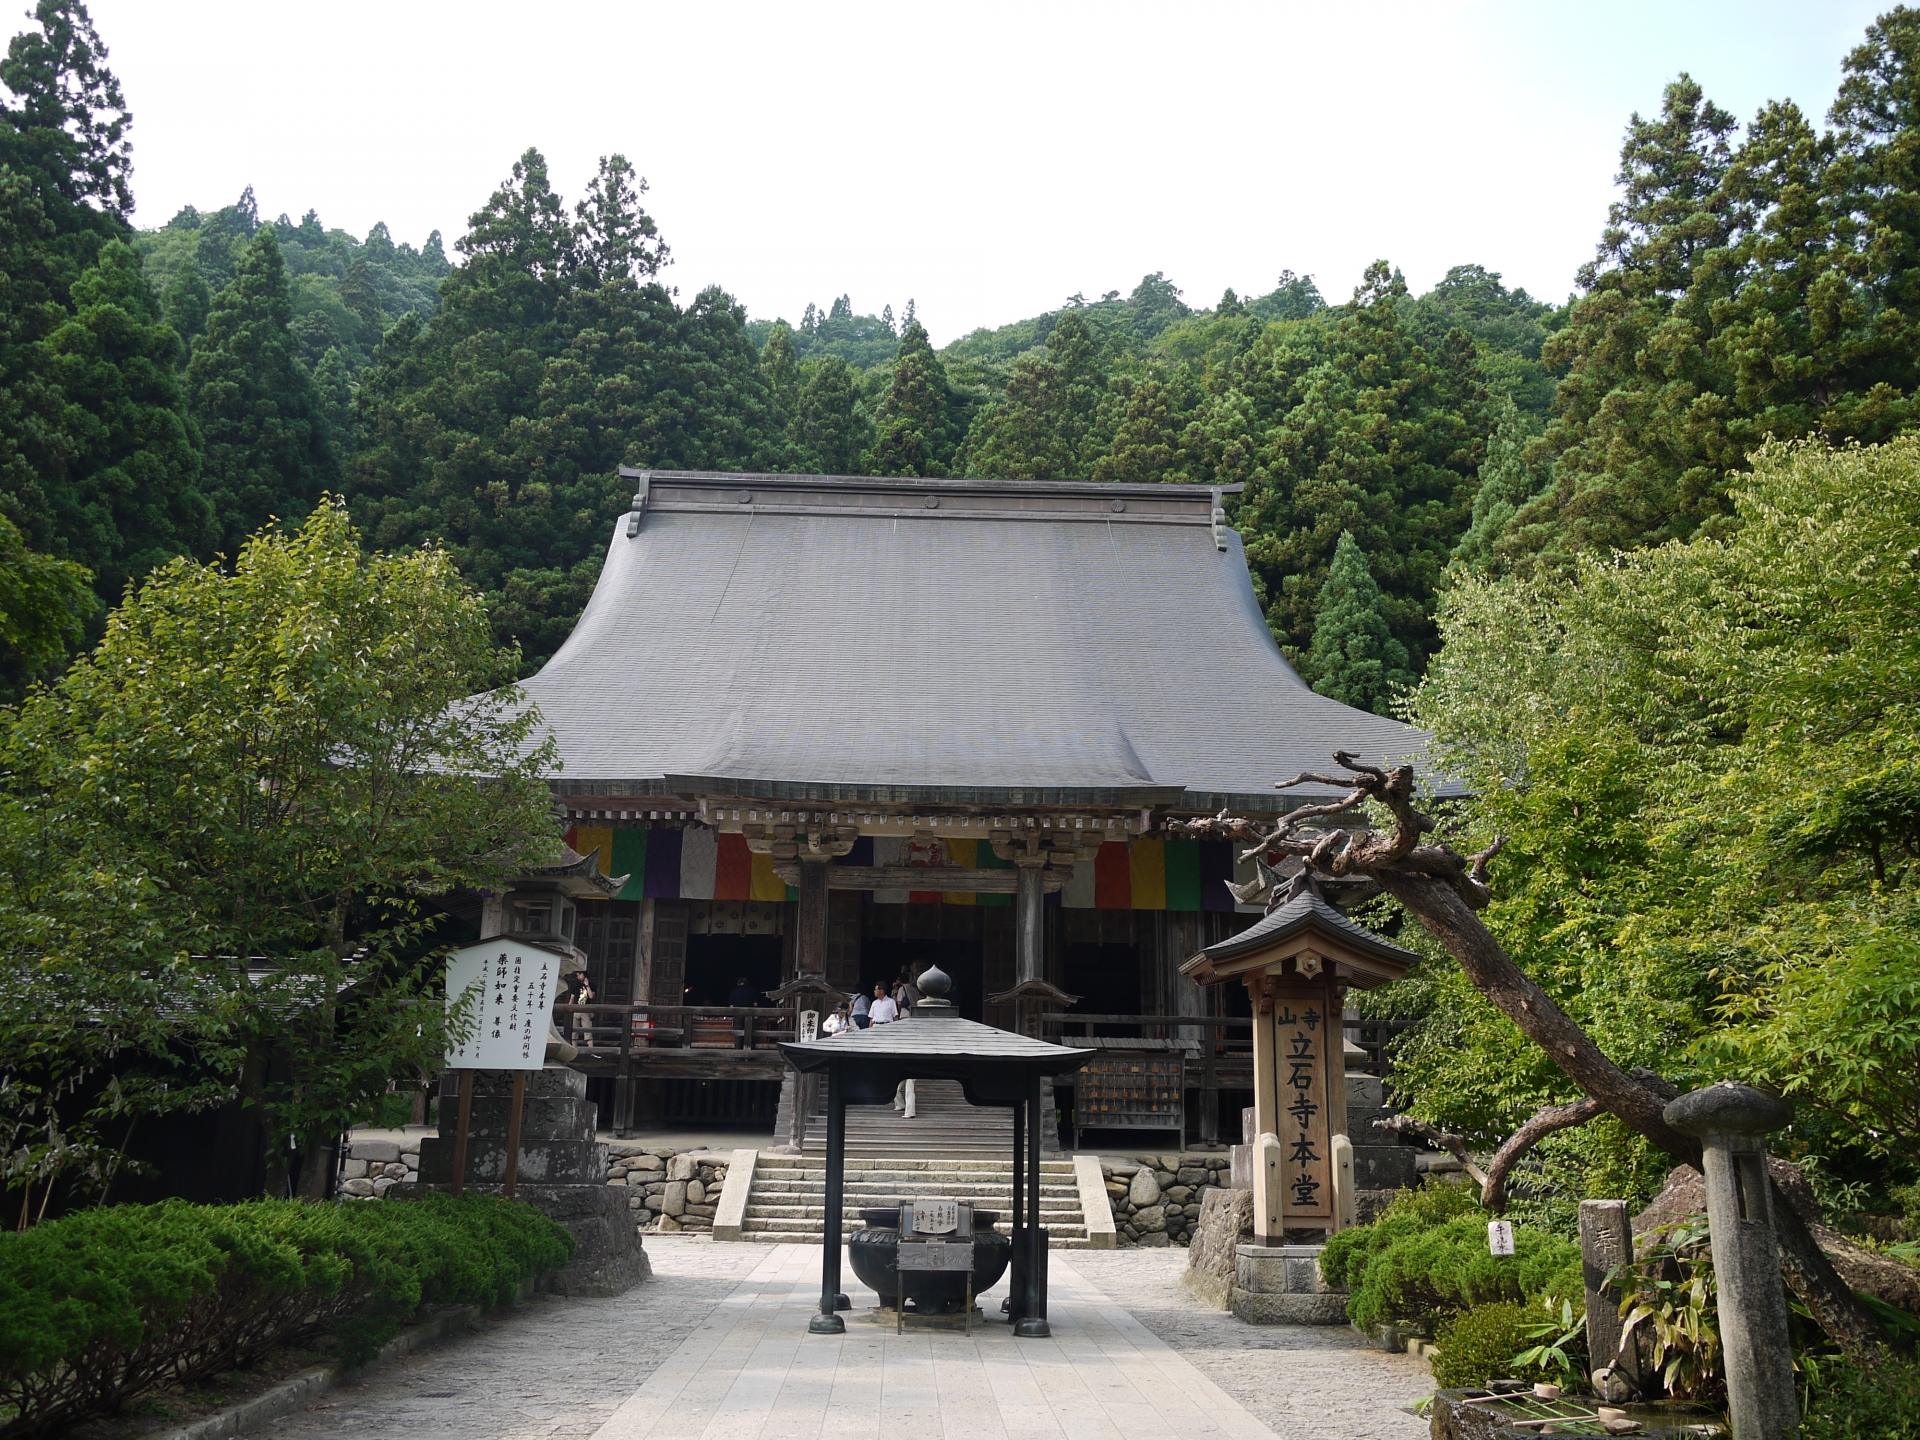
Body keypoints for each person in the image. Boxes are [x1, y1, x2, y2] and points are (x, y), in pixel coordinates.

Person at [564, 968, 595, 1049]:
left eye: (580, 974)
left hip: (585, 1011)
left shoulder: (592, 986)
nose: (578, 976)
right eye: (577, 975)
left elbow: (591, 996)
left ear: (585, 975)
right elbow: (572, 998)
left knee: (588, 1031)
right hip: (576, 1010)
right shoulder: (575, 986)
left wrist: (587, 985)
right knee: (574, 1032)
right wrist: (568, 1008)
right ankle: (574, 1049)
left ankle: (591, 1050)